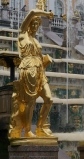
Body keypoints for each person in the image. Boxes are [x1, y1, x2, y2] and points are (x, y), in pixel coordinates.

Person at [9, 8, 54, 138]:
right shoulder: (23, 34)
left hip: (40, 70)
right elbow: (33, 12)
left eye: (37, 24)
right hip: (29, 70)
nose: (34, 26)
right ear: (28, 24)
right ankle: (28, 130)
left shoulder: (36, 41)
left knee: (49, 99)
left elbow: (39, 56)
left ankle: (40, 127)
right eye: (32, 24)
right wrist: (46, 14)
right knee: (31, 101)